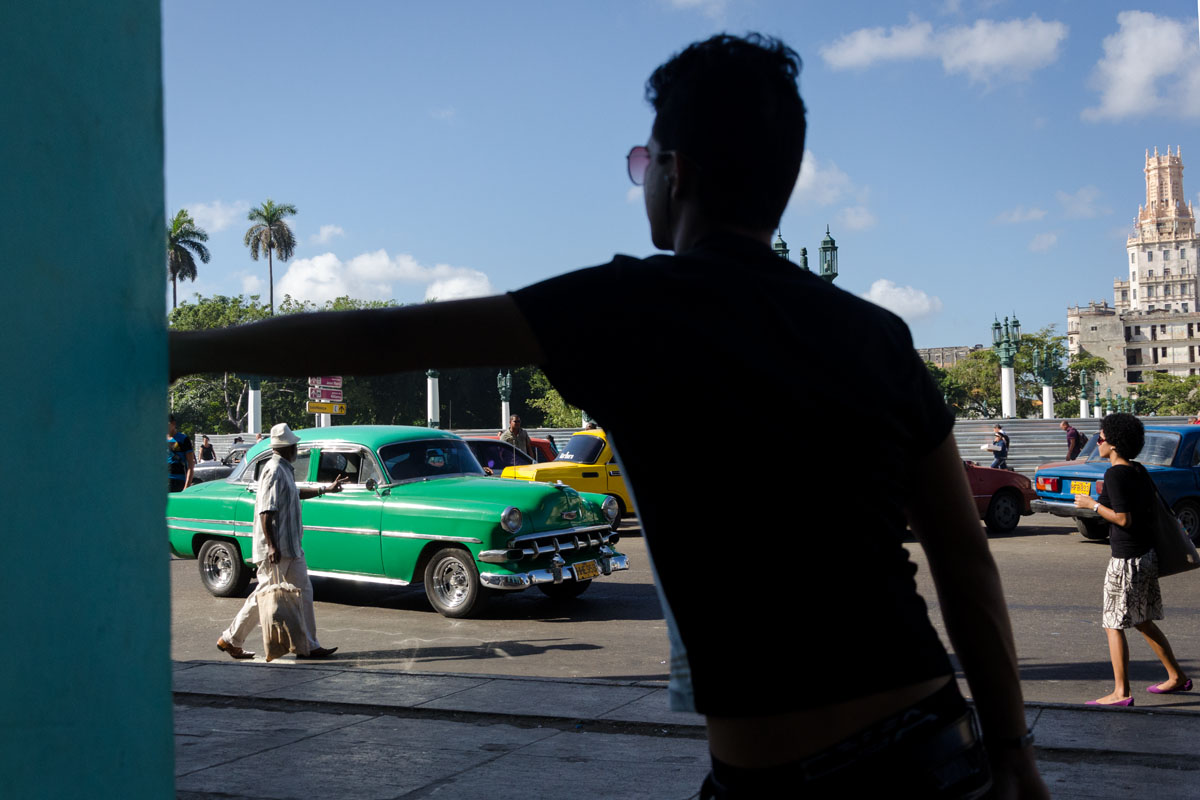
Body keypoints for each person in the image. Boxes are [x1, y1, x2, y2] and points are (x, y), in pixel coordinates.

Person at [171, 33, 1045, 797]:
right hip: (932, 744)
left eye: (644, 162)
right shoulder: (879, 336)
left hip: (773, 774)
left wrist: (181, 349)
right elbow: (966, 566)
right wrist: (1013, 751)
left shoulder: (627, 312)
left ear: (677, 173)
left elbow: (376, 340)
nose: (643, 180)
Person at [1073, 413, 1191, 706]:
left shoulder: (1115, 474)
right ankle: (1176, 676)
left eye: (1100, 438)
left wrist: (1093, 505)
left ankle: (1120, 692)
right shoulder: (1137, 470)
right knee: (1142, 620)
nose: (1097, 442)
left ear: (1113, 444)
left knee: (1113, 624)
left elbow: (1123, 519)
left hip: (1126, 560)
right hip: (1146, 555)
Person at [216, 423, 345, 661]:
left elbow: (294, 493)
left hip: (291, 546)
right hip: (277, 548)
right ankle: (231, 639)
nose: (297, 449)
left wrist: (326, 489)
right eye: (294, 445)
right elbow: (266, 511)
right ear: (286, 448)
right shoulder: (274, 470)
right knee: (264, 595)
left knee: (304, 591)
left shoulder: (284, 469)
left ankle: (308, 645)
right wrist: (273, 546)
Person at [167, 414, 195, 492]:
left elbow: (190, 465)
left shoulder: (183, 439)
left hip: (178, 481)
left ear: (173, 423)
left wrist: (186, 488)